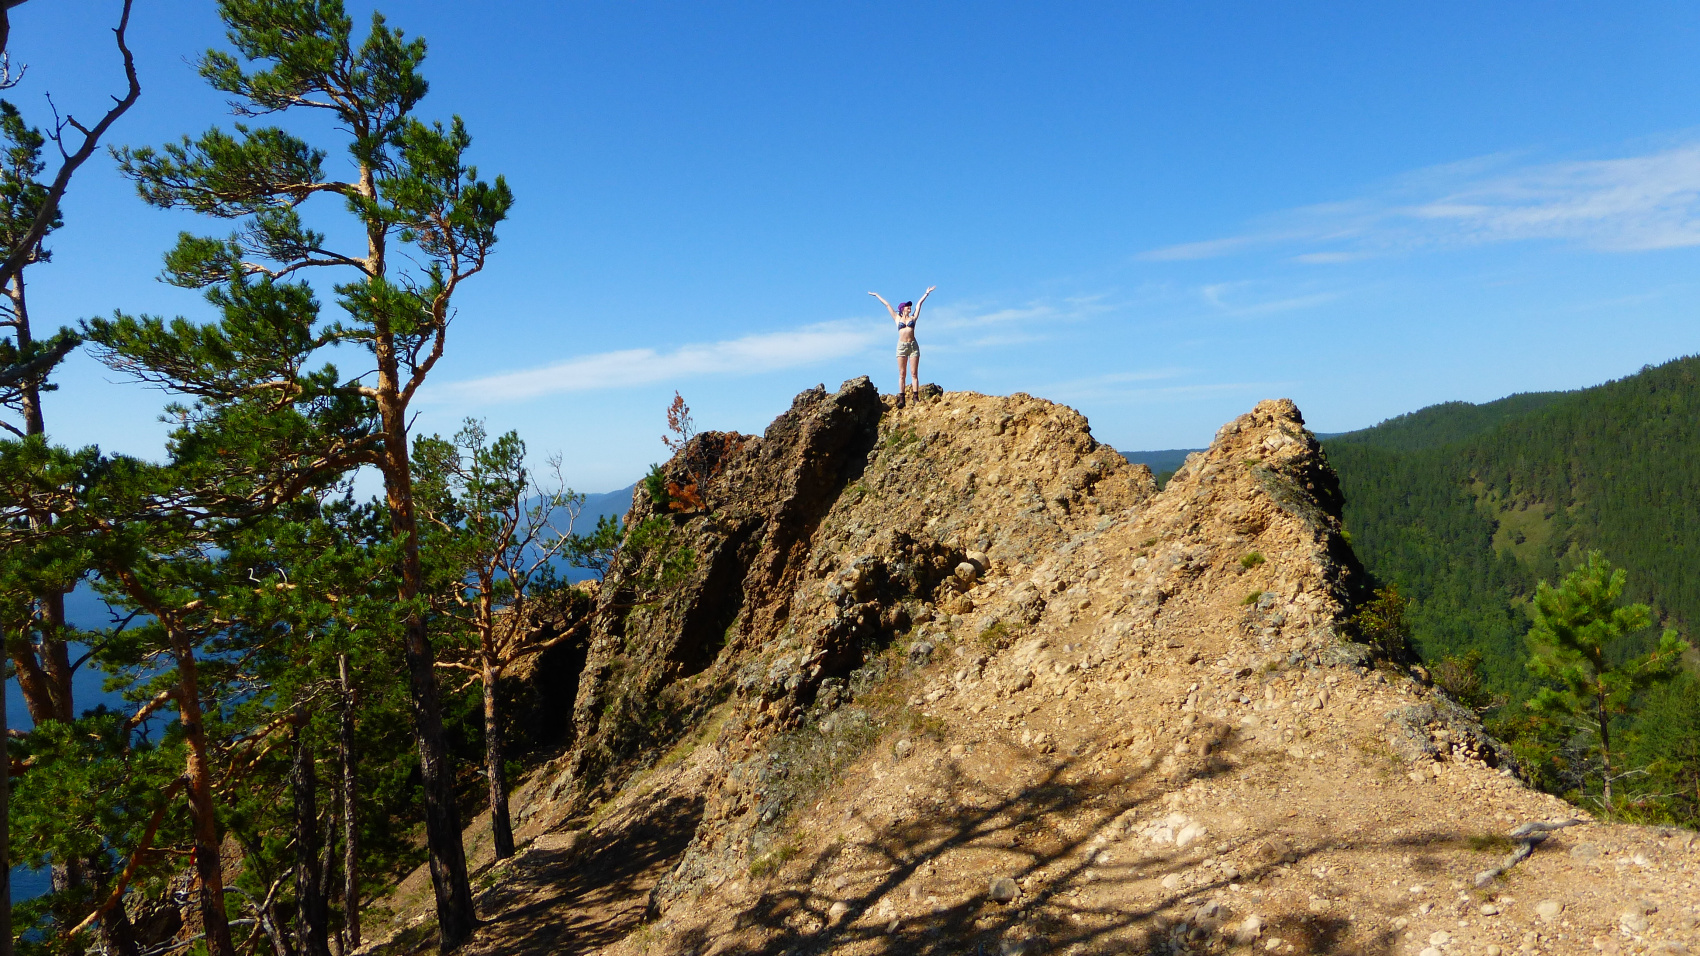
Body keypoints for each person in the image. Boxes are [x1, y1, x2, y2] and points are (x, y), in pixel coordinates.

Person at [868, 286, 934, 407]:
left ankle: (915, 397)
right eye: (907, 306)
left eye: (909, 306)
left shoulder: (913, 317)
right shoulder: (897, 318)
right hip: (902, 346)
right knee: (902, 373)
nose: (909, 307)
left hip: (913, 346)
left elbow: (919, 304)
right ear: (902, 309)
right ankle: (902, 399)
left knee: (914, 373)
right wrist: (877, 295)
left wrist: (926, 293)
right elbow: (887, 305)